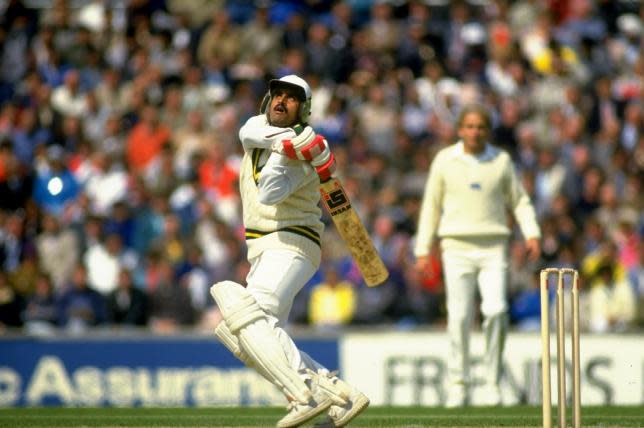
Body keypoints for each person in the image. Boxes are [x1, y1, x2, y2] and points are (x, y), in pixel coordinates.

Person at [209, 75, 369, 427]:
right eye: (277, 95)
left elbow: (269, 193)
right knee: (241, 333)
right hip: (263, 248)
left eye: (291, 99)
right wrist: (295, 143)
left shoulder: (301, 158)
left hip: (291, 242)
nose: (281, 101)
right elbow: (245, 133)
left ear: (305, 109)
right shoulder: (261, 127)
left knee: (250, 313)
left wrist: (298, 153)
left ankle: (301, 395)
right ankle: (337, 391)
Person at [414, 103, 541, 407]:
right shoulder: (445, 160)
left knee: (496, 310)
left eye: (480, 127)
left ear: (488, 130)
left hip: (493, 246)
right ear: (460, 130)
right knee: (458, 317)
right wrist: (421, 249)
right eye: (469, 126)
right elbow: (431, 206)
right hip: (455, 247)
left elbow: (519, 201)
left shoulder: (501, 161)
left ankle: (492, 383)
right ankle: (458, 384)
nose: (474, 132)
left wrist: (532, 232)